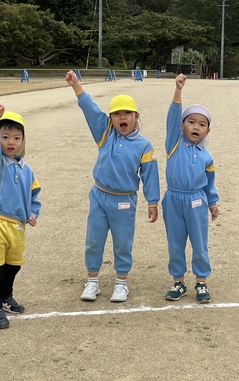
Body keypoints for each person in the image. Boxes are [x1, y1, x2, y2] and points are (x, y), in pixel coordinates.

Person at [65, 70, 160, 303]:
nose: (122, 118)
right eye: (117, 114)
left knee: (122, 242)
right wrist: (76, 85)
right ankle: (92, 281)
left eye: (127, 113)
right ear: (110, 118)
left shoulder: (144, 145)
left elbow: (150, 175)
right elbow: (90, 109)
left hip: (124, 200)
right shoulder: (105, 133)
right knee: (94, 240)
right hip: (99, 196)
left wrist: (153, 202)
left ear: (136, 116)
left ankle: (121, 283)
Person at [0, 105, 41, 329]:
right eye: (4, 137)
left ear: (23, 140)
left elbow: (34, 195)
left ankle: (5, 296)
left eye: (16, 137)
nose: (10, 142)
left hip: (17, 226)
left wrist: (32, 213)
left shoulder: (26, 170)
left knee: (14, 265)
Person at [163, 74, 219, 303]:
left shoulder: (207, 156)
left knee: (199, 242)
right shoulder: (174, 144)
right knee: (175, 243)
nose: (196, 127)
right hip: (173, 200)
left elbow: (210, 183)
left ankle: (201, 281)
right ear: (181, 126)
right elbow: (173, 114)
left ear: (207, 131)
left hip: (197, 200)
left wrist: (212, 203)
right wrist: (178, 91)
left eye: (202, 124)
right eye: (191, 122)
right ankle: (178, 281)